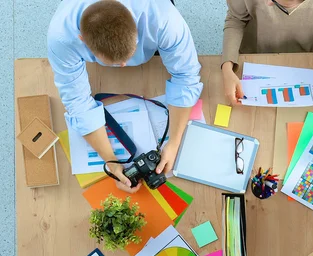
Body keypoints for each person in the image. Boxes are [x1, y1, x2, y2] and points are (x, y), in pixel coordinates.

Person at [48, 0, 203, 193]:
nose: (123, 66)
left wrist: (174, 142)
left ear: (137, 29)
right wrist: (111, 161)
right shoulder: (61, 37)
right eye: (114, 62)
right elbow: (77, 102)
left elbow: (186, 76)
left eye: (128, 56)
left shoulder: (165, 18)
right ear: (81, 39)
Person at [221, 0, 313, 105]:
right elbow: (235, 19)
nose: (268, 3)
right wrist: (227, 67)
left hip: (311, 54)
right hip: (258, 52)